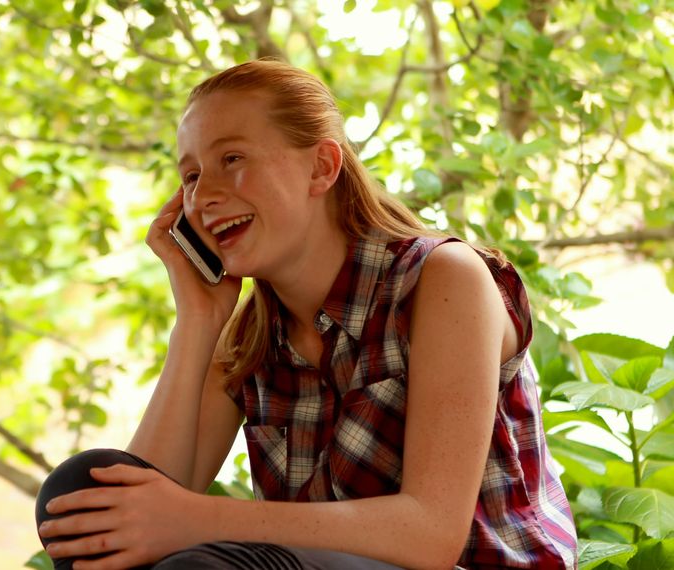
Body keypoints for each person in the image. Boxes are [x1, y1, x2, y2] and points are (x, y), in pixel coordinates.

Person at [35, 59, 577, 569]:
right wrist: (198, 322)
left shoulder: (442, 278)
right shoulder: (248, 335)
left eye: (232, 159)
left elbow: (433, 533)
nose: (205, 197)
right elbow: (136, 503)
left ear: (322, 167)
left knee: (200, 563)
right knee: (83, 494)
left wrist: (196, 519)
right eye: (192, 176)